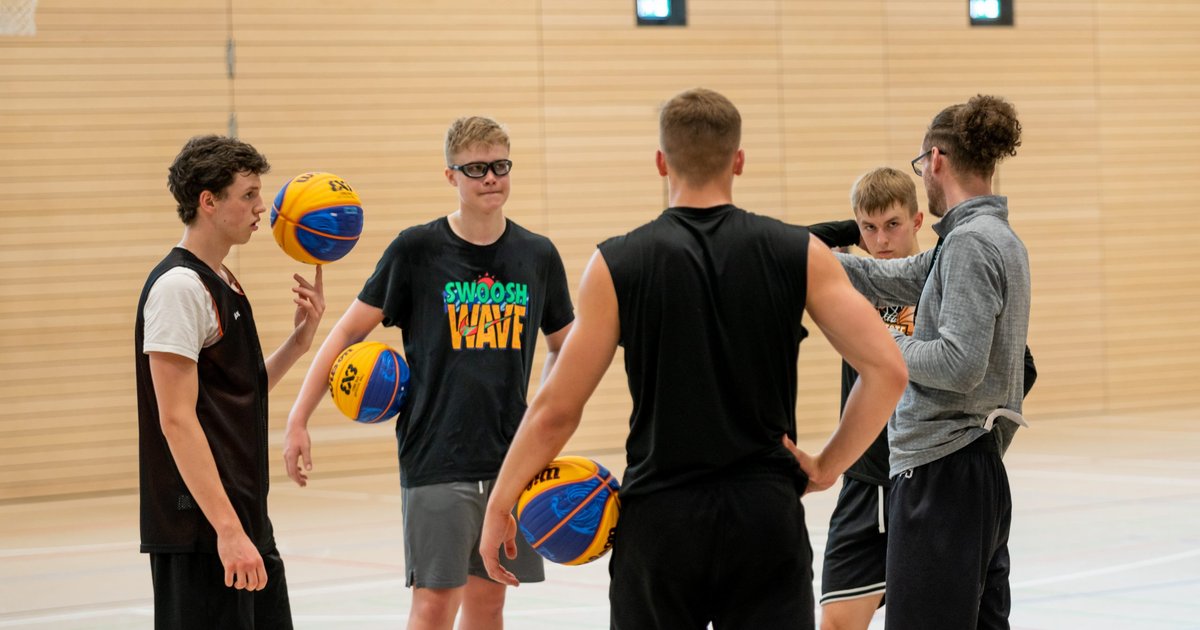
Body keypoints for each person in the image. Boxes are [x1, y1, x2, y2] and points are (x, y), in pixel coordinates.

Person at [478, 87, 908, 629]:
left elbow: (555, 410)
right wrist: (825, 467)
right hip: (764, 517)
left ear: (661, 162)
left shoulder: (617, 263)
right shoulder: (798, 252)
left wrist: (500, 503)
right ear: (740, 161)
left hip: (661, 520)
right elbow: (888, 370)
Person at [282, 116, 574, 630]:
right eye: (477, 168)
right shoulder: (417, 250)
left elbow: (564, 347)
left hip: (512, 459)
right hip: (437, 455)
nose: (491, 178)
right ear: (451, 176)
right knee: (435, 605)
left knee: (490, 604)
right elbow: (346, 333)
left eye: (500, 166)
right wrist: (297, 418)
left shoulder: (538, 254)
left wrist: (543, 416)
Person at [834, 94, 1029, 629]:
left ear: (936, 160)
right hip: (972, 471)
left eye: (922, 168)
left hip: (943, 475)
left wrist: (877, 345)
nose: (923, 178)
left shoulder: (970, 243)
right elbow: (888, 277)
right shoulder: (985, 238)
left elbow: (959, 363)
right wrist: (808, 259)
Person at [135, 134, 326, 629]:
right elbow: (176, 419)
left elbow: (241, 391)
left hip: (243, 519)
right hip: (201, 528)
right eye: (248, 195)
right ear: (208, 201)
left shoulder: (222, 280)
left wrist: (301, 342)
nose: (262, 207)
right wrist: (227, 530)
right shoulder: (179, 289)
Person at [818, 167, 923, 630]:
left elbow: (1020, 367)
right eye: (870, 228)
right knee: (838, 624)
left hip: (923, 481)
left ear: (918, 220)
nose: (881, 240)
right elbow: (791, 245)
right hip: (863, 482)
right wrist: (848, 231)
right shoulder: (852, 283)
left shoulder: (940, 280)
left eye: (893, 225)